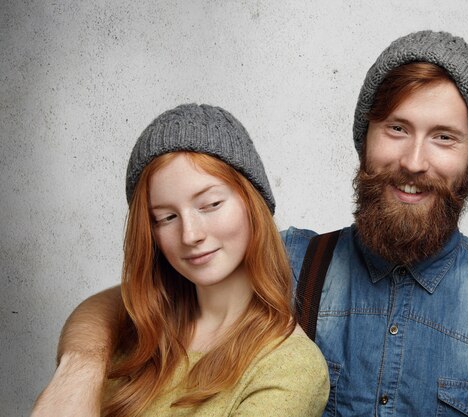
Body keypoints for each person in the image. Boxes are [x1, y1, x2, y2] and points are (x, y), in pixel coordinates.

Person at [33, 31, 468, 416]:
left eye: (444, 137)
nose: (415, 160)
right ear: (364, 140)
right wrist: (80, 369)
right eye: (396, 128)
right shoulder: (287, 261)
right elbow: (129, 300)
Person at [34, 103, 329, 416]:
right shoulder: (136, 329)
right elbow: (110, 303)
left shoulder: (289, 368)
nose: (190, 235)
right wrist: (80, 366)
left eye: (211, 204)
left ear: (253, 203)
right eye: (166, 217)